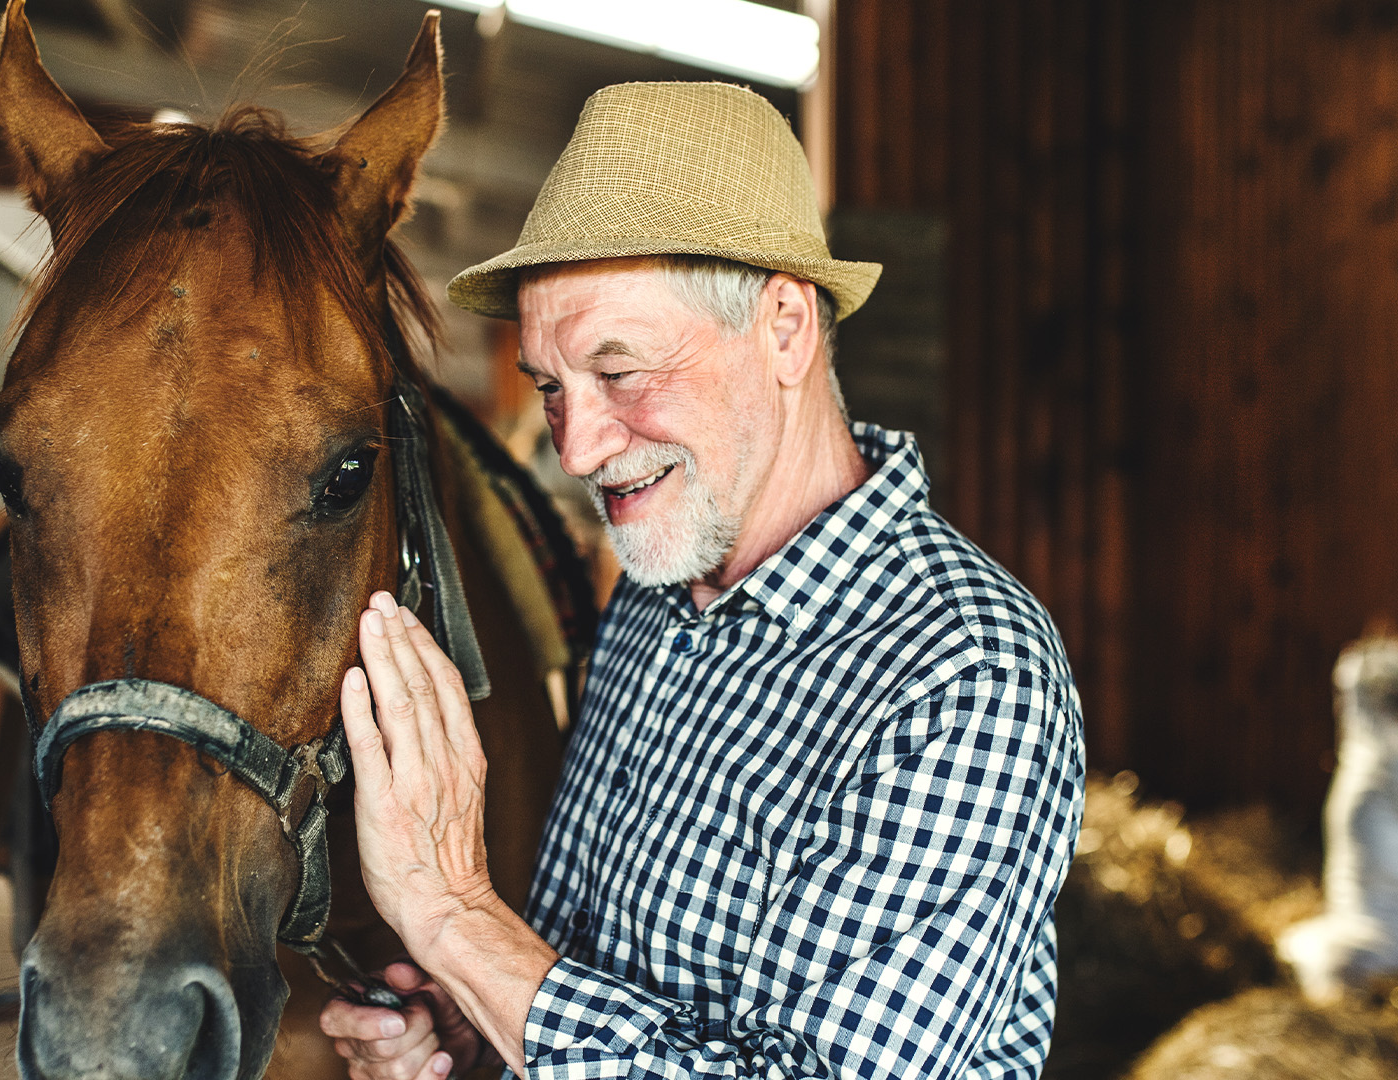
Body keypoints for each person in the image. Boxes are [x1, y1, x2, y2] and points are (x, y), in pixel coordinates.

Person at [321, 81, 1085, 1080]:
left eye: (621, 370)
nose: (579, 448)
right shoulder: (654, 589)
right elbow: (596, 987)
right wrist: (484, 1033)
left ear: (783, 328)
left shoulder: (965, 676)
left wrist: (456, 919)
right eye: (553, 387)